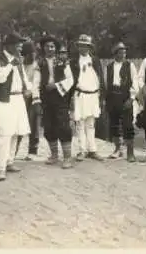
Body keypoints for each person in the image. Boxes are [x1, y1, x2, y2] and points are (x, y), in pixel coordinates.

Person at [0, 32, 32, 181]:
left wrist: (28, 88)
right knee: (4, 134)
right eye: (18, 43)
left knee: (16, 132)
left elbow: (23, 77)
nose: (20, 46)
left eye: (21, 43)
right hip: (2, 100)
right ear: (9, 45)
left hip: (18, 98)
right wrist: (9, 65)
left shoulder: (18, 59)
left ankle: (9, 161)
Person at [37, 35, 75, 168]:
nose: (50, 49)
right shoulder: (40, 62)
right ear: (43, 48)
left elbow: (70, 80)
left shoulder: (63, 62)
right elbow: (36, 80)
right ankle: (54, 155)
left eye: (52, 46)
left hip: (60, 97)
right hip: (46, 97)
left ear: (56, 48)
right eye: (47, 46)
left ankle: (67, 158)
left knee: (63, 125)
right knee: (49, 125)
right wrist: (37, 96)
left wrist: (56, 85)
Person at [69, 34, 105, 161]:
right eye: (81, 46)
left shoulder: (95, 60)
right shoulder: (73, 62)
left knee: (91, 123)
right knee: (80, 123)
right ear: (78, 47)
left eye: (86, 46)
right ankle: (82, 150)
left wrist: (102, 97)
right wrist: (71, 99)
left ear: (90, 48)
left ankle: (92, 149)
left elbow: (101, 79)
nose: (83, 48)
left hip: (93, 95)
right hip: (80, 95)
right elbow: (71, 81)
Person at [105, 42, 139, 162]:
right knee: (114, 126)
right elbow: (107, 84)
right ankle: (118, 149)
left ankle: (130, 152)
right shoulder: (109, 67)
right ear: (115, 54)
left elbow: (135, 82)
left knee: (128, 125)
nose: (123, 54)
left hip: (125, 98)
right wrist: (106, 100)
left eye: (124, 52)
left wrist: (131, 98)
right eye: (120, 52)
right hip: (113, 98)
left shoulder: (130, 66)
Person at [14, 41, 42, 161]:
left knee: (34, 123)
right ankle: (13, 150)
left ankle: (32, 150)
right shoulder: (19, 65)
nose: (32, 56)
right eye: (29, 54)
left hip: (34, 97)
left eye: (33, 53)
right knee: (18, 123)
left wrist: (28, 92)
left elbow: (36, 82)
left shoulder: (37, 66)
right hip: (20, 97)